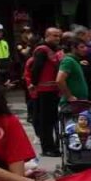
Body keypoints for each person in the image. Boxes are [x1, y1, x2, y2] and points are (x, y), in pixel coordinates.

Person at [28, 28, 63, 156]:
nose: (57, 38)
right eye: (54, 36)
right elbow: (36, 70)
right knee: (46, 121)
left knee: (51, 120)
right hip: (44, 91)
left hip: (52, 90)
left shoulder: (52, 50)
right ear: (47, 36)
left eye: (59, 36)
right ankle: (47, 148)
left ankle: (52, 146)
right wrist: (34, 84)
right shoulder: (42, 50)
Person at [56, 34, 90, 105]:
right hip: (72, 104)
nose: (85, 49)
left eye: (85, 46)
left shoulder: (75, 60)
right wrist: (69, 96)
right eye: (82, 47)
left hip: (79, 102)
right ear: (73, 48)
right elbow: (59, 80)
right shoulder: (68, 60)